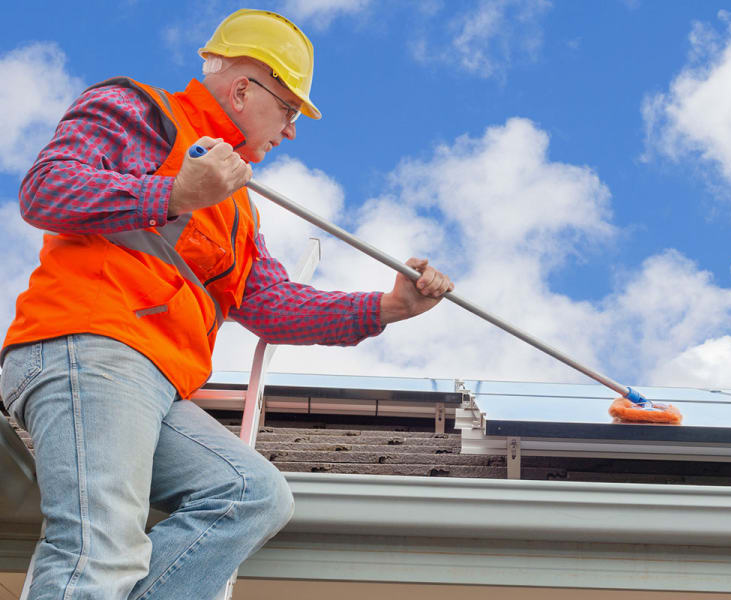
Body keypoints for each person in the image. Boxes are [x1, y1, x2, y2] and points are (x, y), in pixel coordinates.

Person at [0, 8, 453, 600]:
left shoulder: (238, 205)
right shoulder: (141, 111)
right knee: (100, 547)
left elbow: (268, 302)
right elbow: (47, 189)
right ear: (244, 87)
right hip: (94, 344)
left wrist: (386, 307)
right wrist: (175, 191)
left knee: (250, 495)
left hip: (160, 382)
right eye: (289, 108)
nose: (291, 129)